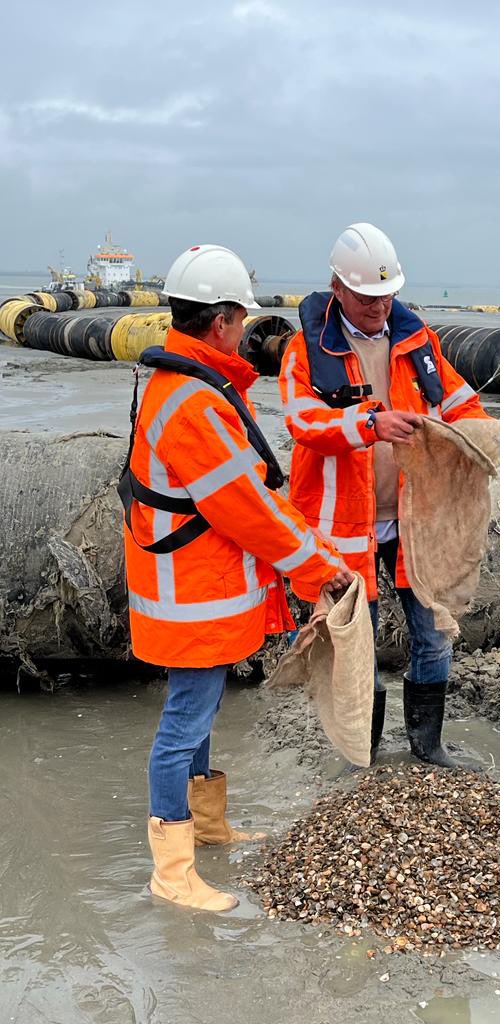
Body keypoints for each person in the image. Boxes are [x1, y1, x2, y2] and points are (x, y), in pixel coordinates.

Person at [121, 244, 351, 911]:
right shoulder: (195, 404)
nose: (245, 332)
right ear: (222, 321)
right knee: (184, 722)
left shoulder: (185, 385)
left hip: (192, 586)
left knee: (200, 713)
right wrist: (319, 567)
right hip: (190, 594)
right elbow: (250, 512)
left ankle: (210, 829)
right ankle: (172, 871)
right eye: (240, 320)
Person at [278, 223, 500, 768]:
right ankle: (364, 750)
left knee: (433, 631)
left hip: (415, 519)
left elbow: (457, 401)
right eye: (366, 297)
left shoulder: (417, 340)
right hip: (344, 524)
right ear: (337, 289)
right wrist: (370, 423)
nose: (379, 306)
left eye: (387, 295)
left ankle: (428, 746)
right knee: (357, 641)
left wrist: (493, 440)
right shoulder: (306, 351)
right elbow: (302, 421)